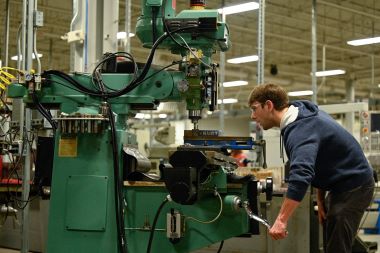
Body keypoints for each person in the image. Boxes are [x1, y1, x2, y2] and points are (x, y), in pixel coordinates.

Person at [248, 83, 374, 253]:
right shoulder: (300, 116)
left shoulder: (301, 129)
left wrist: (281, 220)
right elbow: (322, 162)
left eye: (255, 109)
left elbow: (302, 175)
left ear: (269, 105)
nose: (252, 116)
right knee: (333, 240)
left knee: (338, 244)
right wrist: (321, 200)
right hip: (341, 186)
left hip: (355, 186)